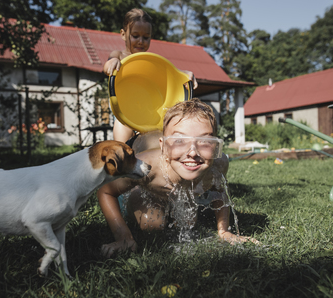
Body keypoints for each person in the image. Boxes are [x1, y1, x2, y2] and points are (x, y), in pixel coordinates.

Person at [97, 99, 254, 258]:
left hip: (169, 169)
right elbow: (106, 191)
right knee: (150, 224)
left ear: (215, 146)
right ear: (163, 146)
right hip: (141, 145)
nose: (193, 153)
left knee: (188, 223)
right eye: (179, 140)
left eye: (205, 141)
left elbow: (219, 191)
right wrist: (123, 237)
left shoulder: (218, 164)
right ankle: (125, 123)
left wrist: (224, 230)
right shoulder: (148, 168)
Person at [103, 8, 198, 142]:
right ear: (123, 34)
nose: (141, 41)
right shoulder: (118, 55)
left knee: (156, 138)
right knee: (122, 127)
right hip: (124, 111)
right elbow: (107, 67)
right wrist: (112, 62)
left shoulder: (150, 61)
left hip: (148, 112)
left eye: (146, 37)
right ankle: (122, 151)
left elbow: (168, 73)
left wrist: (185, 74)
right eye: (135, 36)